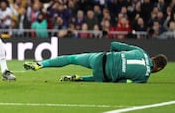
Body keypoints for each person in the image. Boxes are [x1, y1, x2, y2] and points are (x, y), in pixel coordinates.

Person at [23, 41, 167, 83]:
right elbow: (127, 84)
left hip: (100, 58)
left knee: (70, 58)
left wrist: (115, 57)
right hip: (104, 76)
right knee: (113, 79)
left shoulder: (140, 51)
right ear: (158, 68)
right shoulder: (144, 77)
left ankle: (40, 64)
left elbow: (114, 44)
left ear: (153, 57)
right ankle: (80, 79)